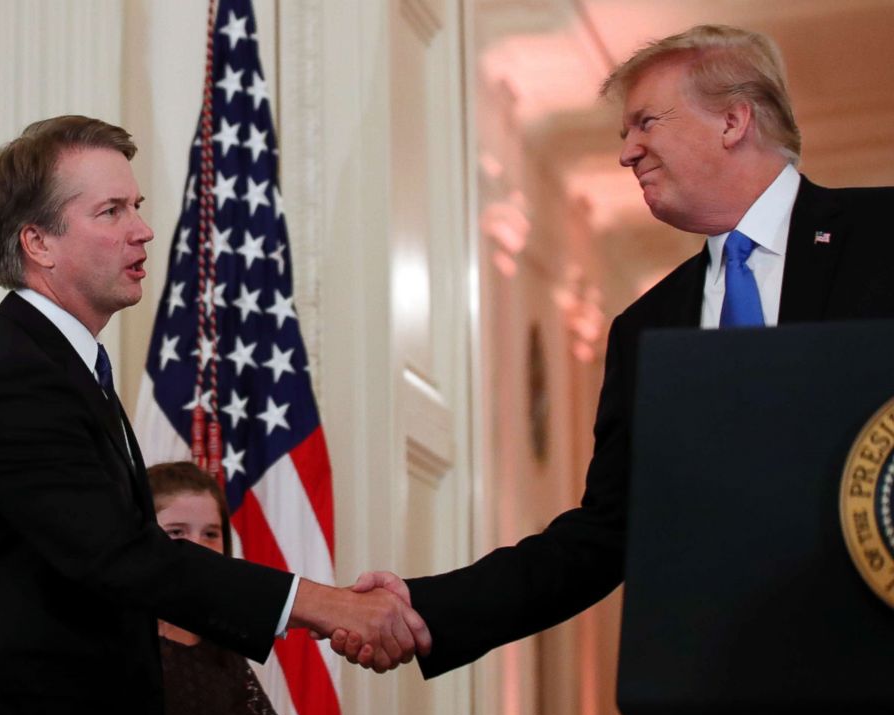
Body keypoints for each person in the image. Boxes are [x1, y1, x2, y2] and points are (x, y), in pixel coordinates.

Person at [332, 24, 894, 677]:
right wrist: (427, 606)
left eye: (645, 122)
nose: (628, 152)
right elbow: (604, 536)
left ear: (734, 120)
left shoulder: (881, 240)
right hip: (731, 690)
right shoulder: (645, 329)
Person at [0, 115, 430, 715]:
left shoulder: (65, 369)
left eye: (138, 206)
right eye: (112, 210)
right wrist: (322, 604)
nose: (143, 229)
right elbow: (124, 557)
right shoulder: (14, 379)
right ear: (37, 241)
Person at [149, 462, 284, 715]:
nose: (197, 547)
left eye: (211, 533)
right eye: (176, 532)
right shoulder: (111, 639)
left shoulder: (223, 649)